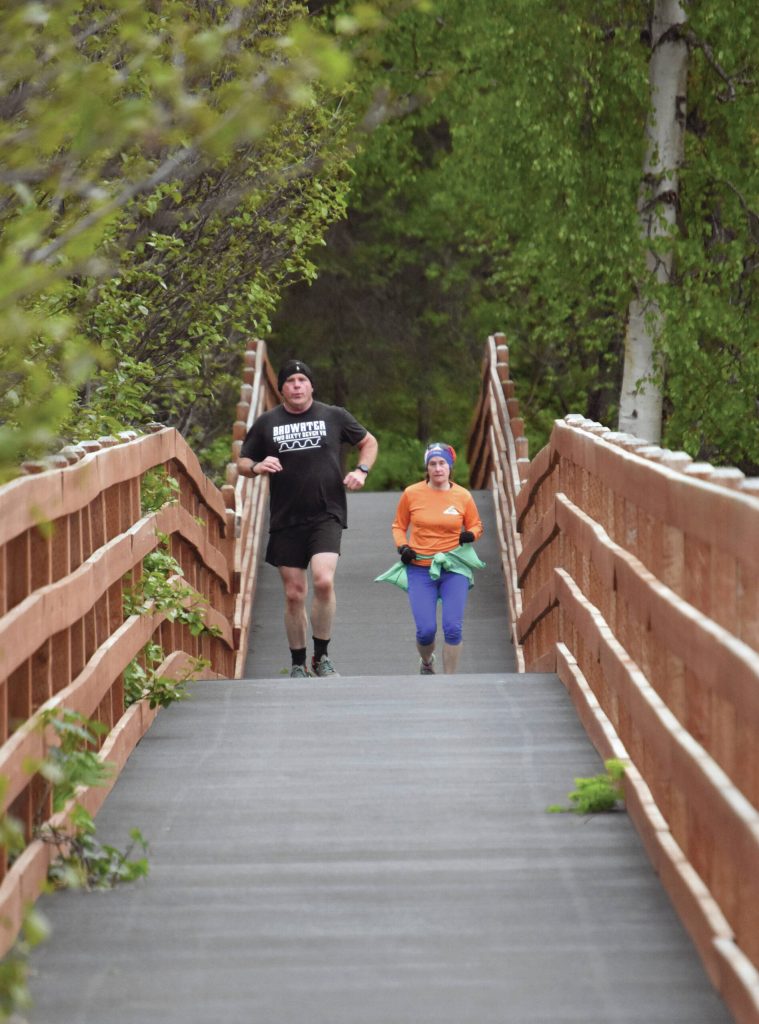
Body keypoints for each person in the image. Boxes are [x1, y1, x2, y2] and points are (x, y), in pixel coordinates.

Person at [237, 359, 378, 678]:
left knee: (323, 580)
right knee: (294, 592)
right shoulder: (267, 422)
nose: (297, 385)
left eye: (302, 380)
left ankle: (322, 656)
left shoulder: (334, 415)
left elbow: (368, 442)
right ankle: (298, 662)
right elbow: (243, 462)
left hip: (326, 512)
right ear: (282, 388)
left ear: (312, 386)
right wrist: (257, 467)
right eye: (290, 381)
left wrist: (361, 470)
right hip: (286, 516)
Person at [391, 442, 483, 674]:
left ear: (450, 467)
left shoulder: (462, 496)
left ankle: (449, 680)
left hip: (454, 566)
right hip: (420, 566)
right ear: (427, 468)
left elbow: (475, 524)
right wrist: (403, 547)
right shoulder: (412, 493)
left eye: (442, 463)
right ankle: (426, 662)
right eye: (433, 464)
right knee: (425, 630)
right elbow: (398, 526)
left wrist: (471, 534)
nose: (438, 468)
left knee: (453, 628)